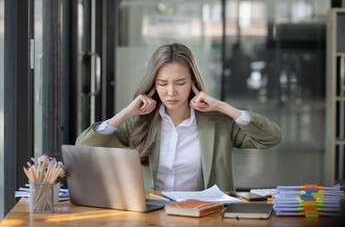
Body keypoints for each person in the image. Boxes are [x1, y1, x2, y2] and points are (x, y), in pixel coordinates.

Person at [76, 43, 282, 191]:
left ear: (193, 81)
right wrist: (127, 112)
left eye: (180, 83)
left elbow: (270, 138)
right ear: (153, 85)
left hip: (204, 218)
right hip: (150, 217)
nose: (171, 92)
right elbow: (83, 149)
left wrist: (222, 106)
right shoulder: (139, 122)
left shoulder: (217, 123)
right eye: (163, 83)